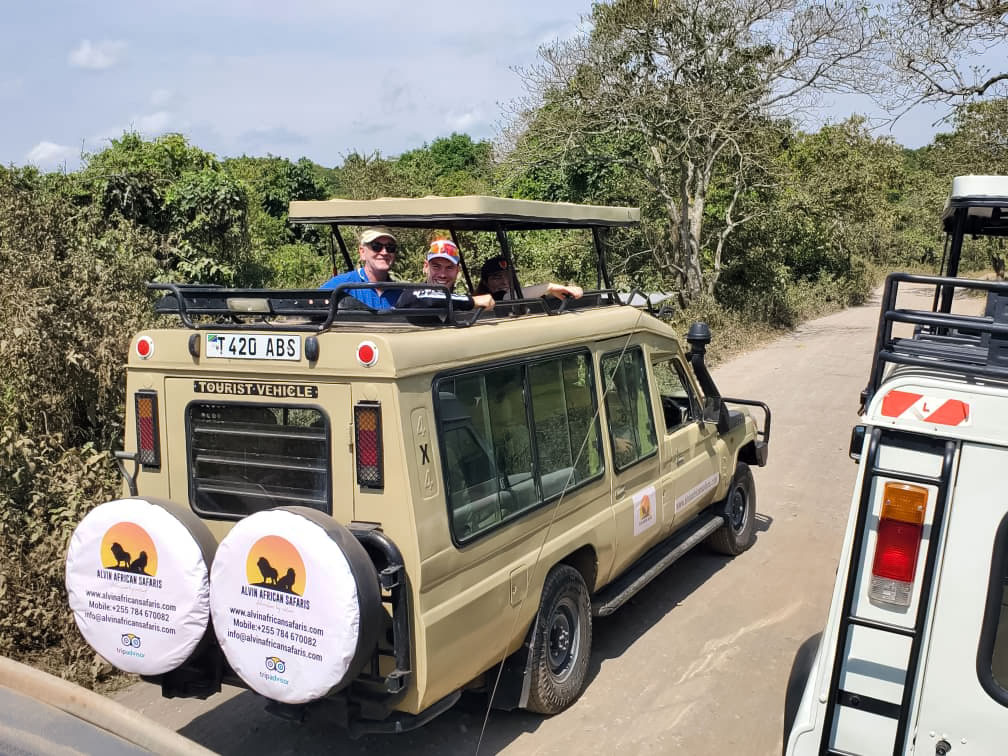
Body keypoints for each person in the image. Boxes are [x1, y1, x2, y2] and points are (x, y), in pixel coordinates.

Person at [395, 239, 496, 312]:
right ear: (426, 267)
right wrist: (473, 301)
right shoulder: (412, 293)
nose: (442, 274)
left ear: (457, 271)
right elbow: (425, 298)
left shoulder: (458, 304)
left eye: (449, 267)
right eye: (436, 266)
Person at [320, 227, 400, 309]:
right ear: (362, 252)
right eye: (376, 246)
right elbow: (315, 308)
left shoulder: (402, 294)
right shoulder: (340, 285)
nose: (384, 252)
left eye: (390, 247)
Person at [475, 255, 584, 302]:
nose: (505, 281)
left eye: (509, 276)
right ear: (485, 282)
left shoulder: (523, 293)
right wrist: (549, 287)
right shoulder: (488, 299)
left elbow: (531, 295)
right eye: (497, 277)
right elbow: (508, 298)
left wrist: (569, 291)